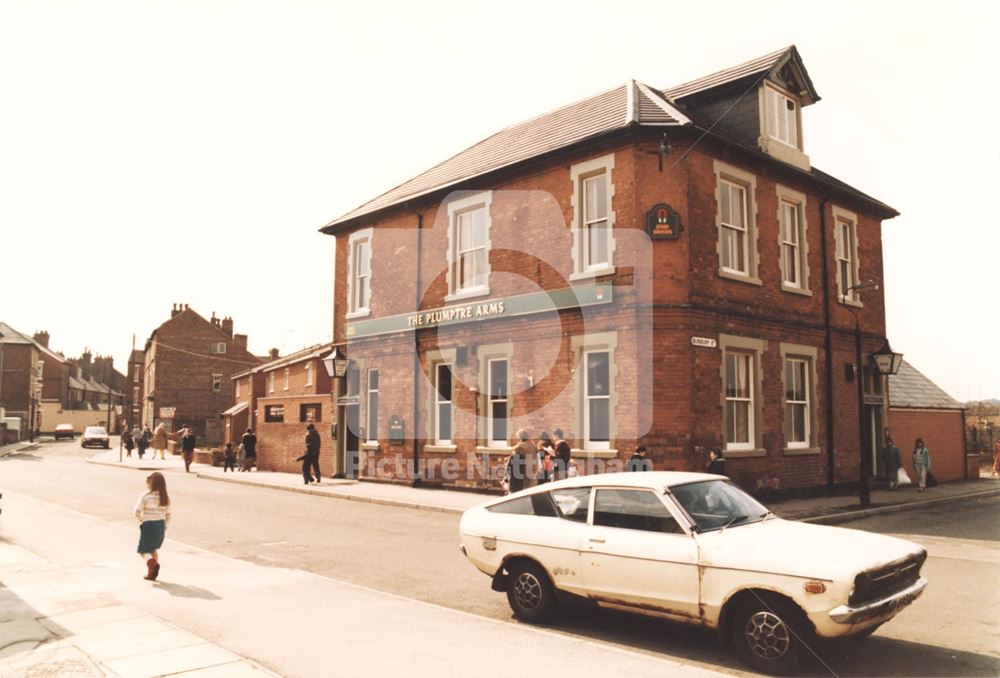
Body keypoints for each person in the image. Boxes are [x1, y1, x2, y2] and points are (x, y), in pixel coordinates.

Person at [134, 471, 170, 581]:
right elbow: (168, 514)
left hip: (148, 525)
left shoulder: (145, 496)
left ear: (151, 483)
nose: (147, 484)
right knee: (153, 549)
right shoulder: (165, 498)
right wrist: (165, 526)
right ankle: (152, 573)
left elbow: (136, 511)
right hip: (160, 525)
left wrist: (141, 521)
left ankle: (152, 564)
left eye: (148, 482)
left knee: (143, 550)